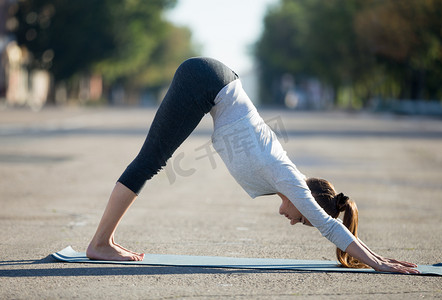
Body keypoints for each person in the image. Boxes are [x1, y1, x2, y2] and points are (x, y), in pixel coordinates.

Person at [86, 57, 419, 274]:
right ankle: (100, 244)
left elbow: (326, 222)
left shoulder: (283, 175)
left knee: (152, 161)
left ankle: (105, 241)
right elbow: (329, 227)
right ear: (306, 202)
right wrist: (377, 262)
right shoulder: (290, 179)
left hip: (212, 81)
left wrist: (377, 257)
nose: (291, 221)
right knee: (151, 162)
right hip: (208, 82)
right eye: (300, 217)